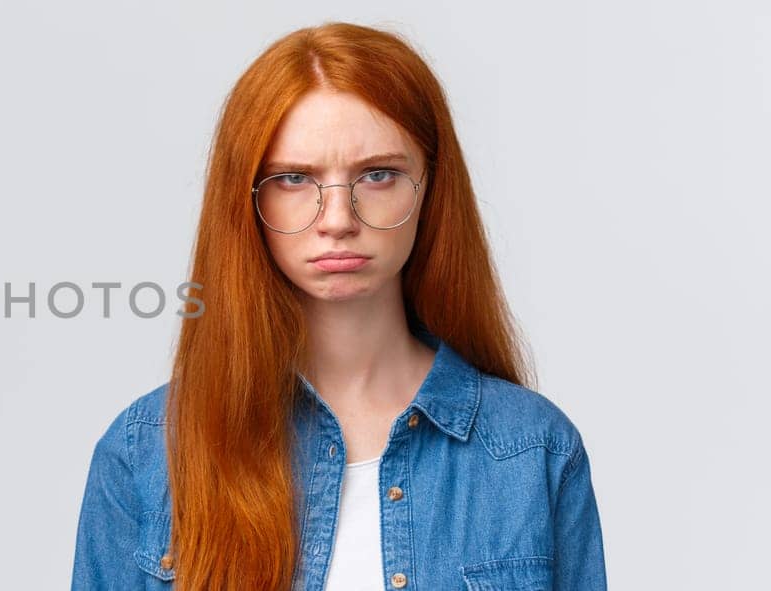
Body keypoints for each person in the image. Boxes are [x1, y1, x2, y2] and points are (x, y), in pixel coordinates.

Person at [69, 22, 607, 591]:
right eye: (294, 178)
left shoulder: (531, 450)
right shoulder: (147, 453)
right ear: (246, 200)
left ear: (431, 187)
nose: (337, 219)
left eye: (378, 174)